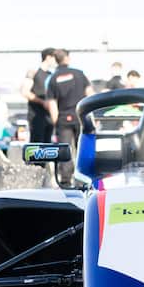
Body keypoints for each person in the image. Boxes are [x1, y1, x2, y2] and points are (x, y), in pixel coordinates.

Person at [45, 49, 92, 186]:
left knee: (65, 150)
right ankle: (85, 178)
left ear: (56, 60)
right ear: (67, 58)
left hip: (63, 119)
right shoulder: (79, 74)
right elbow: (90, 94)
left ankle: (65, 182)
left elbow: (52, 104)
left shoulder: (53, 79)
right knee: (83, 148)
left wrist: (56, 123)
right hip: (81, 117)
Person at [20, 48, 57, 143]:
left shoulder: (51, 75)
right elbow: (25, 92)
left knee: (47, 145)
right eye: (54, 57)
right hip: (36, 115)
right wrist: (42, 102)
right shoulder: (34, 72)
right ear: (48, 57)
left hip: (49, 116)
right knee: (37, 146)